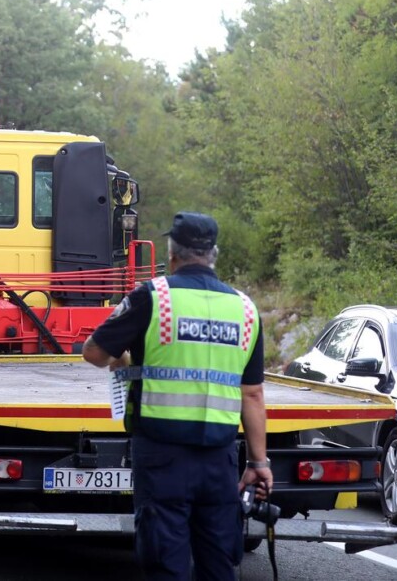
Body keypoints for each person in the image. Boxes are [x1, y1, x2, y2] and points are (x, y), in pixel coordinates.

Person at [82, 211, 272, 581]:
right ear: (214, 253)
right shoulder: (245, 310)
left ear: (171, 253)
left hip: (162, 456)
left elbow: (94, 351)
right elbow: (252, 394)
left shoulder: (153, 297)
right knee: (219, 564)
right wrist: (259, 463)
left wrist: (123, 359)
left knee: (164, 562)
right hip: (219, 460)